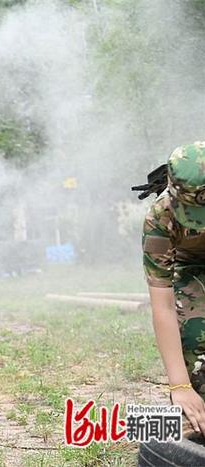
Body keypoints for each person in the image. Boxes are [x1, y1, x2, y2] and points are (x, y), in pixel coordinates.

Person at [143, 141, 205, 434]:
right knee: (194, 334)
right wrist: (179, 385)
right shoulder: (160, 217)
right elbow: (163, 307)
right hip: (189, 265)